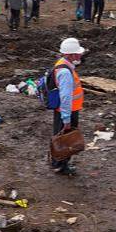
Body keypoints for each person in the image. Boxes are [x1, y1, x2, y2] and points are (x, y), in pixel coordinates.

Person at [50, 37, 86, 176]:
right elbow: (65, 97)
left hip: (66, 110)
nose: (80, 55)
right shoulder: (65, 72)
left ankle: (57, 162)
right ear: (70, 54)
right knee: (65, 139)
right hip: (67, 111)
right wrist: (66, 119)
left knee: (60, 137)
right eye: (77, 53)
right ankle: (61, 166)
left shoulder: (63, 64)